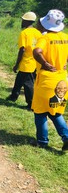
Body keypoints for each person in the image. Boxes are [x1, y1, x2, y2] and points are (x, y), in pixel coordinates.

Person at [32, 9, 68, 152]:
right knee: (56, 112)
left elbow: (37, 52)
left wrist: (45, 63)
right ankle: (66, 136)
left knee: (40, 112)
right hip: (62, 80)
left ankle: (42, 141)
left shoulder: (45, 38)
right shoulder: (65, 37)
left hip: (47, 80)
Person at [6, 12, 42, 110]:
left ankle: (31, 105)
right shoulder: (38, 32)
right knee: (19, 80)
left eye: (23, 20)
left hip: (27, 62)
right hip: (36, 63)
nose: (22, 21)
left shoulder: (24, 33)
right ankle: (13, 96)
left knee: (28, 84)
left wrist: (16, 64)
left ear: (26, 21)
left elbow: (22, 49)